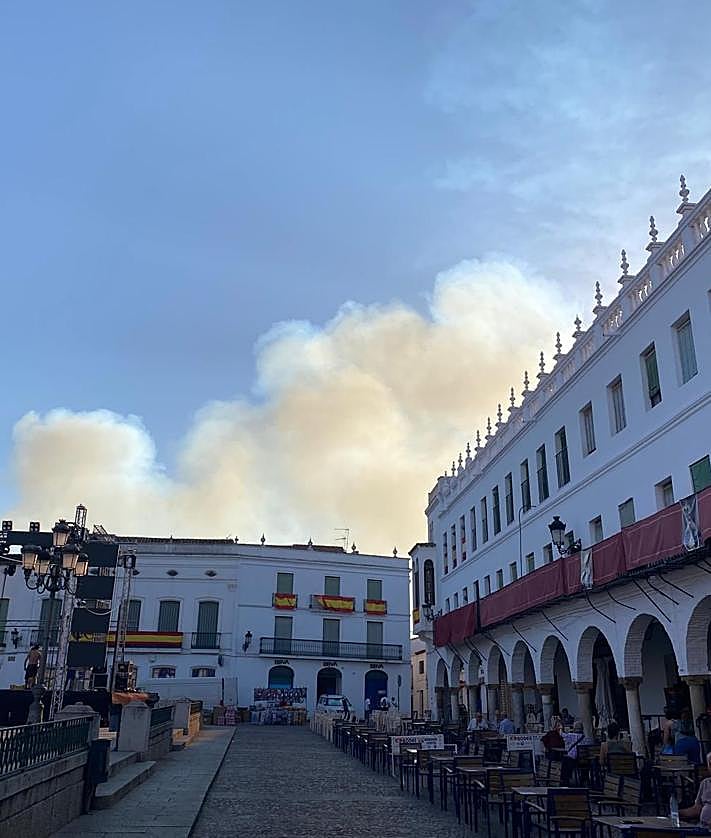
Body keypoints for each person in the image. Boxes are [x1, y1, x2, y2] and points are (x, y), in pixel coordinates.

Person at [681, 752, 711, 826]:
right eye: (710, 764)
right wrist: (677, 813)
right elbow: (697, 809)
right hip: (702, 827)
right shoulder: (705, 783)